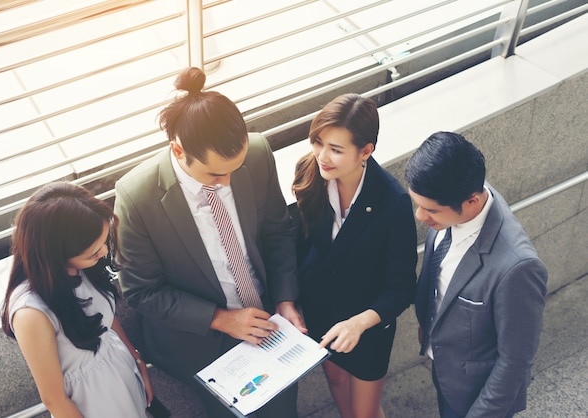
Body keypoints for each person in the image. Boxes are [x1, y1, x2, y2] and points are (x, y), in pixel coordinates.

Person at [113, 67, 305, 418]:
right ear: (178, 149)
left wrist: (285, 300)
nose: (228, 180)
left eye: (236, 167)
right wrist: (221, 319)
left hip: (270, 321)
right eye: (216, 174)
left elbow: (278, 231)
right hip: (199, 339)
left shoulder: (258, 152)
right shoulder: (136, 196)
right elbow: (141, 292)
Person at [404, 131, 548, 418]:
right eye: (418, 205)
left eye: (430, 210)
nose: (420, 216)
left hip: (478, 396)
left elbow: (515, 362)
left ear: (471, 202)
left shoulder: (517, 268)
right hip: (446, 368)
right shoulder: (459, 193)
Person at [292, 93, 418, 418]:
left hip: (367, 325)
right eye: (318, 142)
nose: (322, 156)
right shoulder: (311, 175)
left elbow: (402, 287)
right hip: (320, 314)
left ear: (366, 151)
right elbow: (300, 246)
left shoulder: (393, 203)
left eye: (336, 149)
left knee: (365, 413)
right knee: (335, 381)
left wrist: (359, 324)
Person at [0, 182, 153, 418]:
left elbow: (107, 320)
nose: (103, 252)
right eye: (93, 251)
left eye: (103, 242)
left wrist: (137, 359)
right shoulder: (31, 312)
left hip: (123, 377)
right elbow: (54, 400)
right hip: (92, 404)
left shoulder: (82, 268)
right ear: (55, 252)